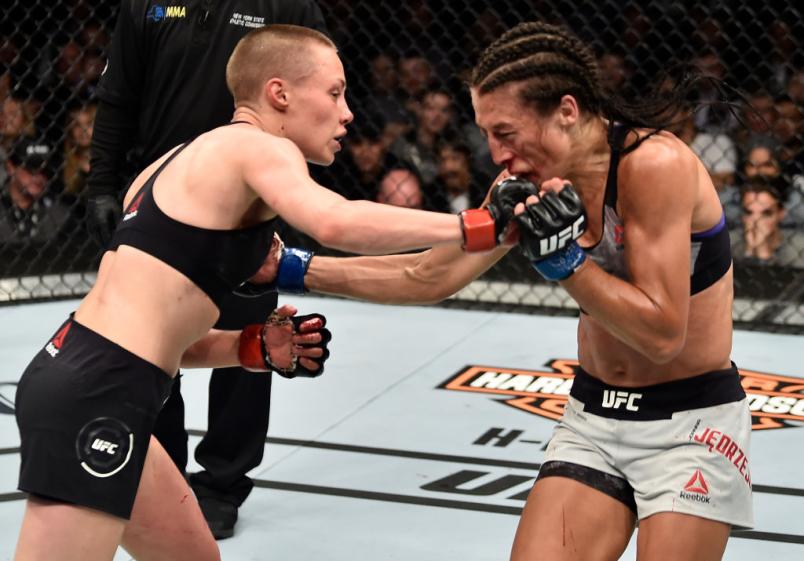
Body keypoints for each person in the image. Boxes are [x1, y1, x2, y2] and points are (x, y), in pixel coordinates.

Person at [13, 25, 516, 561]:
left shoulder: (178, 162)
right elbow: (334, 221)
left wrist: (247, 348)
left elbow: (156, 339)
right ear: (279, 94)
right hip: (98, 395)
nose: (347, 112)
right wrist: (476, 224)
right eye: (334, 92)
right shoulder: (258, 148)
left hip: (96, 375)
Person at [268, 21, 752, 561]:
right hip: (595, 415)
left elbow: (662, 334)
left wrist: (566, 263)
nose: (496, 153)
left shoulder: (653, 165)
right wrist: (294, 268)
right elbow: (429, 276)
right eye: (486, 135)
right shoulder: (522, 182)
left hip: (690, 422)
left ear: (566, 110)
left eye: (506, 132)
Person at [84, 0, 331, 539]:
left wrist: (288, 195)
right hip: (164, 202)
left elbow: (316, 105)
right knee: (154, 341)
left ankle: (223, 483)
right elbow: (119, 94)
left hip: (246, 204)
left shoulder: (287, 6)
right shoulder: (145, 5)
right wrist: (103, 183)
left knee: (248, 341)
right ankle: (163, 472)